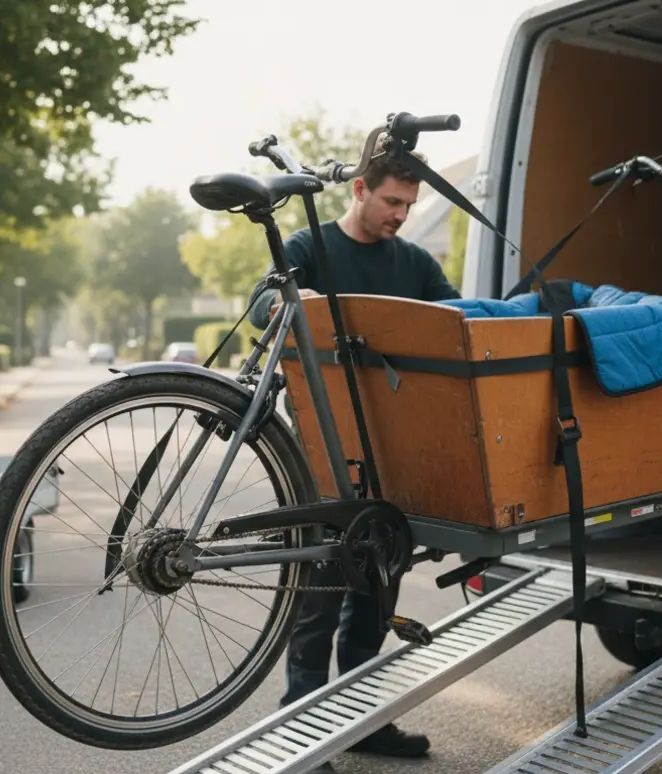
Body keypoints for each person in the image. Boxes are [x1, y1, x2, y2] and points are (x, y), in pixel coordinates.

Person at [246, 143, 459, 771]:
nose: (401, 214)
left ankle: (362, 720)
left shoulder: (414, 262)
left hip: (392, 448)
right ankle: (301, 729)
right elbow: (260, 303)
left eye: (409, 205)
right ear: (360, 189)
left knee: (377, 588)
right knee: (322, 588)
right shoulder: (310, 248)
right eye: (392, 201)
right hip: (323, 443)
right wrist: (291, 304)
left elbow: (458, 319)